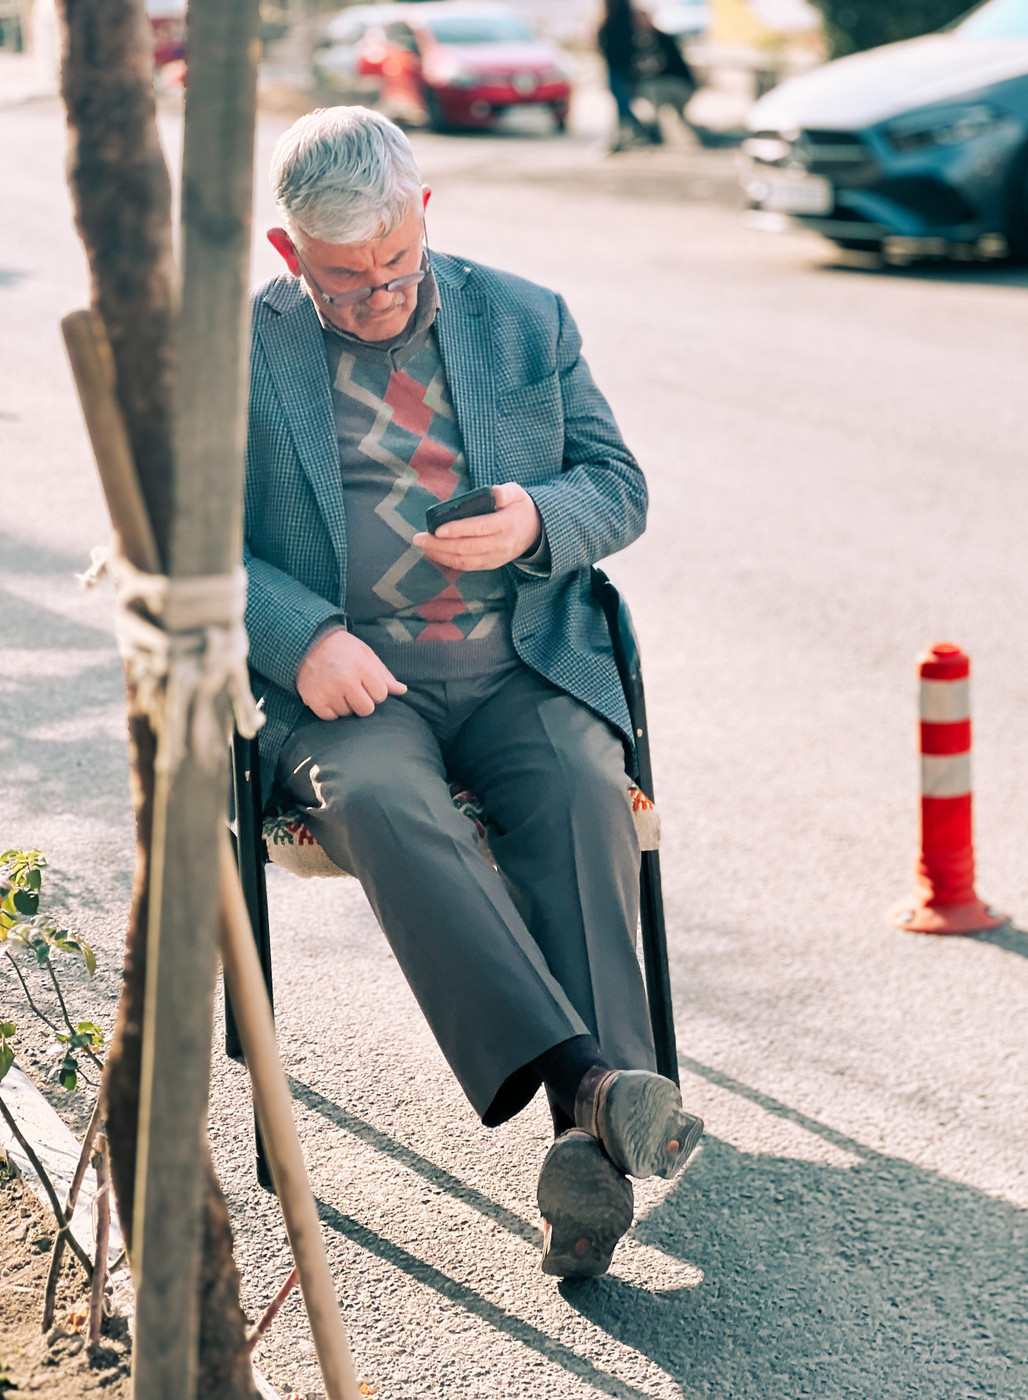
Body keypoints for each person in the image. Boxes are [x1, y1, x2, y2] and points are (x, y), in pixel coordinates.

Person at [244, 106, 703, 1279]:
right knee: (393, 805)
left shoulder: (524, 316)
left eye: (396, 266)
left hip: (520, 659)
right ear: (289, 253)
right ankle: (595, 1086)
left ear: (425, 217)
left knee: (579, 788)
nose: (379, 296)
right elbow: (170, 537)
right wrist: (299, 637)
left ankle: (582, 1146)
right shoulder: (237, 350)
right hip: (354, 684)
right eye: (346, 283)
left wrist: (536, 522)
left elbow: (618, 485)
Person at [633, 10, 704, 144]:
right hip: (665, 89)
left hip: (680, 86)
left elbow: (659, 67)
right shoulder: (638, 40)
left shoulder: (661, 39)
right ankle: (675, 135)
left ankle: (677, 138)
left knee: (658, 99)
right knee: (660, 104)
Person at [596, 0, 654, 152]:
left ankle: (638, 133)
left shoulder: (617, 15)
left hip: (619, 66)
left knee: (622, 103)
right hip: (619, 65)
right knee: (621, 103)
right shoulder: (620, 15)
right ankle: (629, 135)